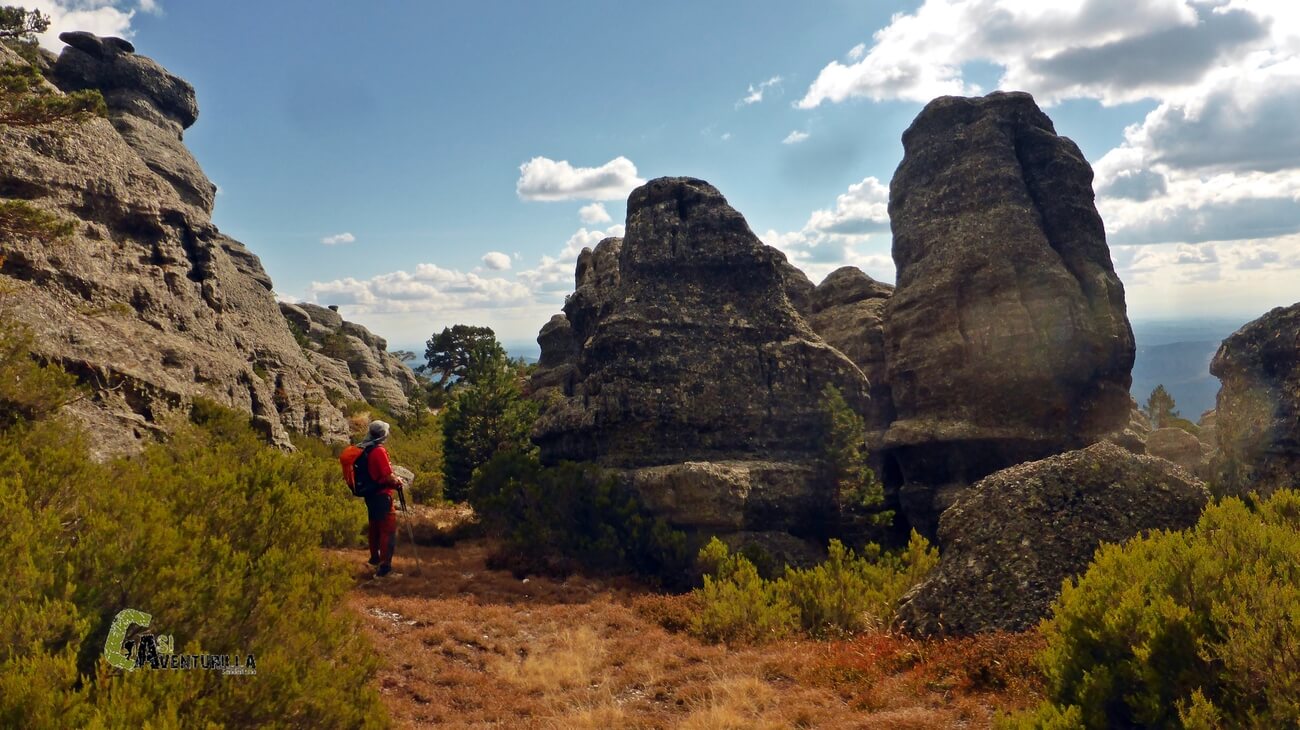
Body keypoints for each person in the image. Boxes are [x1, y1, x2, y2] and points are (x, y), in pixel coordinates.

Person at [356, 420, 405, 577]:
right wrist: (398, 481)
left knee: (374, 528)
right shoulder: (379, 451)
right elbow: (388, 477)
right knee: (387, 531)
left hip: (370, 495)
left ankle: (374, 560)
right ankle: (385, 569)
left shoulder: (365, 448)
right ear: (383, 434)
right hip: (382, 496)